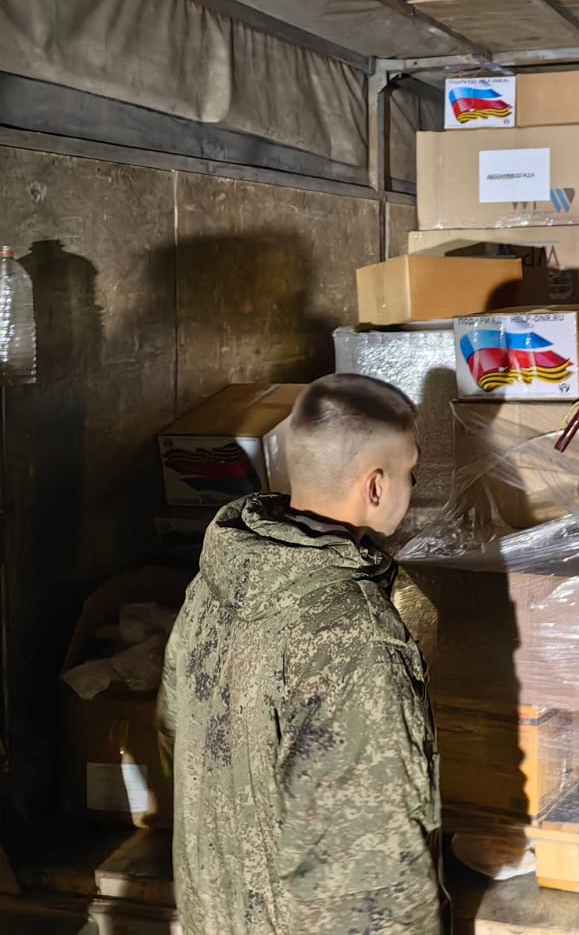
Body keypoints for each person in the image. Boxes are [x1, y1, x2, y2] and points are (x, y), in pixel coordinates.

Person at [159, 373, 440, 935]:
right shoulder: (353, 635)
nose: (413, 487)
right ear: (376, 485)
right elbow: (369, 870)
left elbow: (172, 730)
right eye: (410, 471)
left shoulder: (222, 577)